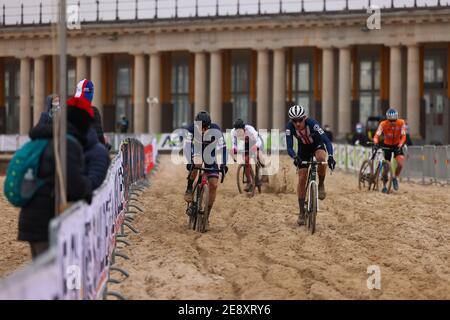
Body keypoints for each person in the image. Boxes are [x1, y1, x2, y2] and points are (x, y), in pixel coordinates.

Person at [18, 96, 94, 260]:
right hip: (47, 220)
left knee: (41, 271)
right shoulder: (67, 143)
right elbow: (74, 186)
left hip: (32, 218)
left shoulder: (45, 137)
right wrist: (88, 188)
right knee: (51, 275)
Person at [285, 105, 335, 226]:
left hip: (317, 144)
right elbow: (289, 147)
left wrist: (331, 157)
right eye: (294, 121)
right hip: (303, 149)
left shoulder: (313, 124)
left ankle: (321, 184)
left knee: (321, 158)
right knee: (302, 178)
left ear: (304, 118)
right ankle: (301, 211)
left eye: (300, 120)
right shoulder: (289, 127)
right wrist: (294, 157)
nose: (297, 123)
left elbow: (327, 141)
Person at [183, 111, 228, 217]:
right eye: (200, 128)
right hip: (198, 151)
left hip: (210, 154)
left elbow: (223, 149)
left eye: (205, 128)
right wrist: (190, 161)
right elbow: (187, 147)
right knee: (197, 163)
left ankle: (206, 215)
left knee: (214, 185)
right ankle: (189, 188)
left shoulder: (216, 129)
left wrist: (223, 164)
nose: (202, 130)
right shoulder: (191, 129)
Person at [373, 108, 406, 192]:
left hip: (397, 145)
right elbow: (376, 136)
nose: (392, 123)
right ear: (387, 120)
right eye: (390, 121)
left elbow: (403, 136)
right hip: (386, 145)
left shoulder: (401, 122)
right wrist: (376, 143)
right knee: (386, 168)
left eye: (394, 121)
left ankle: (395, 178)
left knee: (401, 163)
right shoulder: (383, 124)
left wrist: (400, 145)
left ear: (397, 119)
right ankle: (384, 186)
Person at [230, 118, 265, 192]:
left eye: (240, 131)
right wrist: (234, 149)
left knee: (258, 155)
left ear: (244, 128)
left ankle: (264, 171)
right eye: (237, 131)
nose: (238, 133)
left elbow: (258, 141)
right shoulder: (233, 132)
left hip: (257, 141)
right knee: (246, 160)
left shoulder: (250, 130)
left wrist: (256, 146)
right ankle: (249, 182)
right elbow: (234, 144)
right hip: (247, 143)